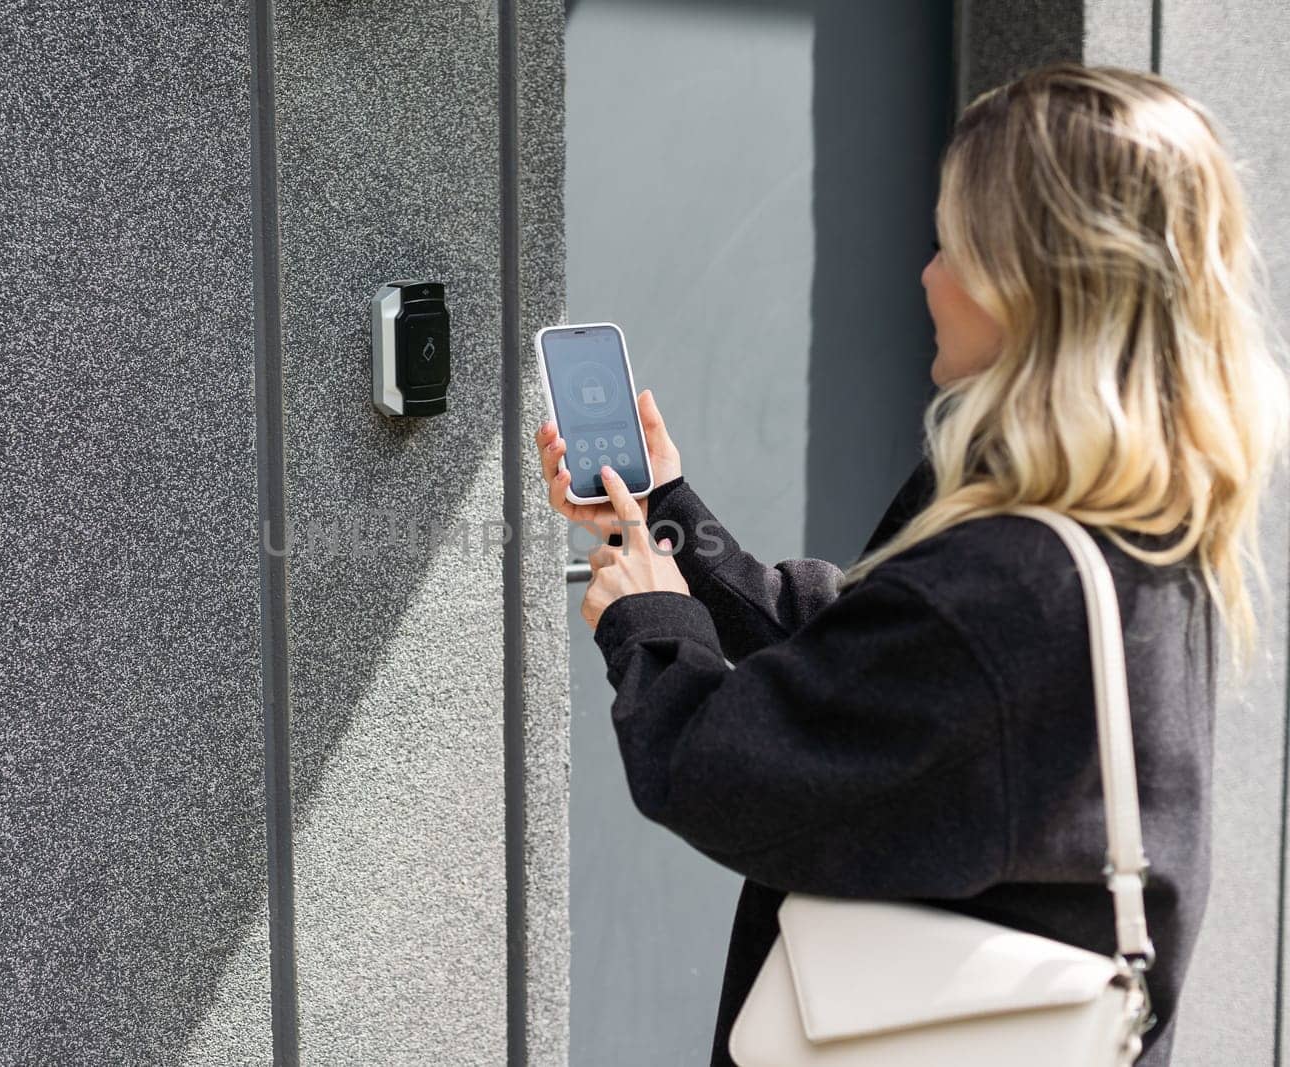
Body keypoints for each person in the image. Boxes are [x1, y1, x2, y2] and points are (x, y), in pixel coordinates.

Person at [533, 61, 1290, 1066]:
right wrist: (667, 518)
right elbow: (865, 671)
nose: (927, 274)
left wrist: (650, 628)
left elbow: (734, 772)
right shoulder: (1130, 529)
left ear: (1031, 284)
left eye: (953, 244)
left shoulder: (1016, 573)